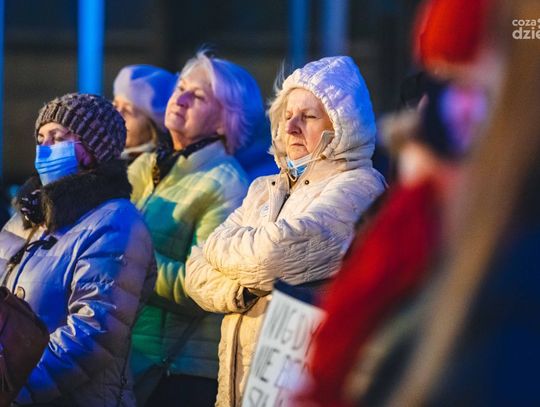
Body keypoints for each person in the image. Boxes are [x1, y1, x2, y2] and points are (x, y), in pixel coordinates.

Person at [185, 55, 386, 406]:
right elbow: (195, 268)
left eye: (308, 117)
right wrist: (245, 290)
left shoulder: (359, 185)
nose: (291, 127)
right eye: (287, 115)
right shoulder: (264, 188)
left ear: (343, 125)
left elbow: (271, 255)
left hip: (298, 385)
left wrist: (226, 253)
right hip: (238, 386)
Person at [0, 93, 157, 406]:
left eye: (58, 138)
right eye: (41, 139)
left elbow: (93, 331)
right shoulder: (28, 215)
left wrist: (14, 386)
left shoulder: (116, 222)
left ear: (95, 149)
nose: (46, 149)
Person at [128, 51, 265, 407]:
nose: (181, 98)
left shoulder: (226, 184)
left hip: (175, 374)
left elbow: (202, 289)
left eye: (198, 96)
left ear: (224, 122)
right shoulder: (146, 165)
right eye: (181, 87)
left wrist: (129, 259)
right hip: (132, 360)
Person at [113, 64, 177, 162]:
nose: (117, 114)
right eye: (115, 105)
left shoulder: (155, 167)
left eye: (128, 110)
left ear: (153, 129)